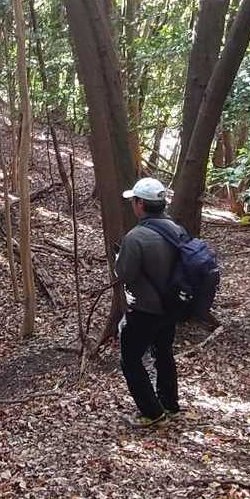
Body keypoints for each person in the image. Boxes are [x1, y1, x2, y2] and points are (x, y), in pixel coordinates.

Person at [111, 176, 183, 427]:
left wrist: (118, 258)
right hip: (172, 307)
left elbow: (124, 274)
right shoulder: (177, 230)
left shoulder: (136, 237)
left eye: (134, 201)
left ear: (141, 204)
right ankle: (170, 405)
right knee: (163, 353)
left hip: (144, 310)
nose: (133, 205)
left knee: (130, 359)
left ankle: (153, 413)